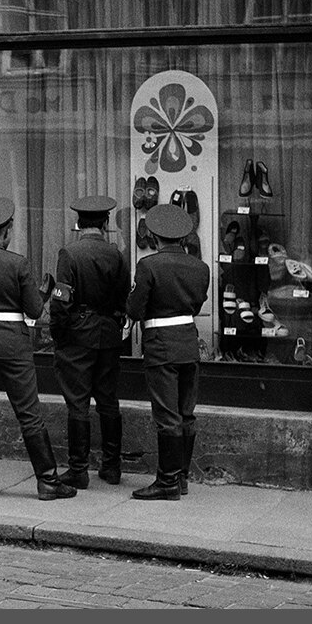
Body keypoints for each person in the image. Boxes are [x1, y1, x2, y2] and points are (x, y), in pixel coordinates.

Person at [0, 197, 76, 501]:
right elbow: (33, 310)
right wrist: (44, 292)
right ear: (6, 230)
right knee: (28, 413)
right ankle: (47, 481)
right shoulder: (17, 263)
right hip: (12, 345)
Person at [125, 204, 210, 501]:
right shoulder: (201, 267)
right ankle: (182, 478)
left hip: (161, 343)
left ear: (155, 236)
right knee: (187, 413)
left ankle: (167, 481)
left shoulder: (148, 266)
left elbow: (135, 309)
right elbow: (197, 305)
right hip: (188, 341)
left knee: (167, 415)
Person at [49, 195, 131, 490]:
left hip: (78, 336)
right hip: (108, 334)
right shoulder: (118, 255)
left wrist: (58, 334)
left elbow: (60, 302)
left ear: (78, 224)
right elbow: (124, 299)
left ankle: (78, 470)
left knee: (78, 404)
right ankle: (112, 466)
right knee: (108, 401)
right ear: (106, 224)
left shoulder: (69, 255)